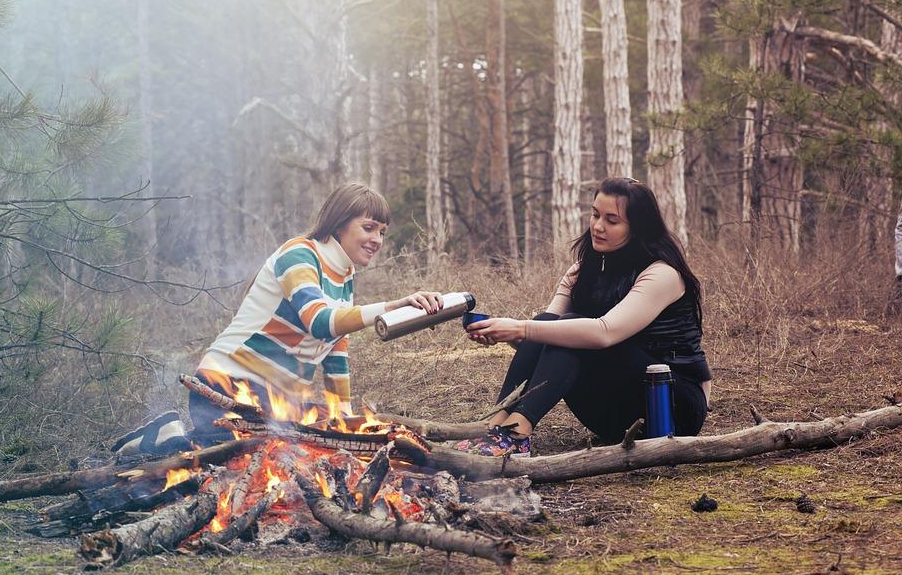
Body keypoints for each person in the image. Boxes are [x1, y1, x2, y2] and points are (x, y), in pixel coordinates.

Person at [114, 182, 442, 455]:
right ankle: (163, 437)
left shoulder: (344, 275)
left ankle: (180, 438)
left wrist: (344, 416)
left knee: (326, 443)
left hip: (275, 403)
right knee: (242, 457)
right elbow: (320, 321)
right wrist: (390, 307)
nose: (377, 240)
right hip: (226, 386)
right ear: (339, 225)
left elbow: (336, 348)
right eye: (368, 228)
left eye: (382, 232)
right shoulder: (299, 254)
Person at [456, 177, 711, 457]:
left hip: (670, 409)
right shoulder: (581, 270)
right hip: (614, 412)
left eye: (612, 220)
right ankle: (494, 427)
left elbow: (604, 332)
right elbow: (544, 336)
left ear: (639, 228)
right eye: (595, 214)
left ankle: (517, 435)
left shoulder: (662, 274)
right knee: (548, 323)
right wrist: (502, 332)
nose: (598, 226)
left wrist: (520, 328)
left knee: (564, 329)